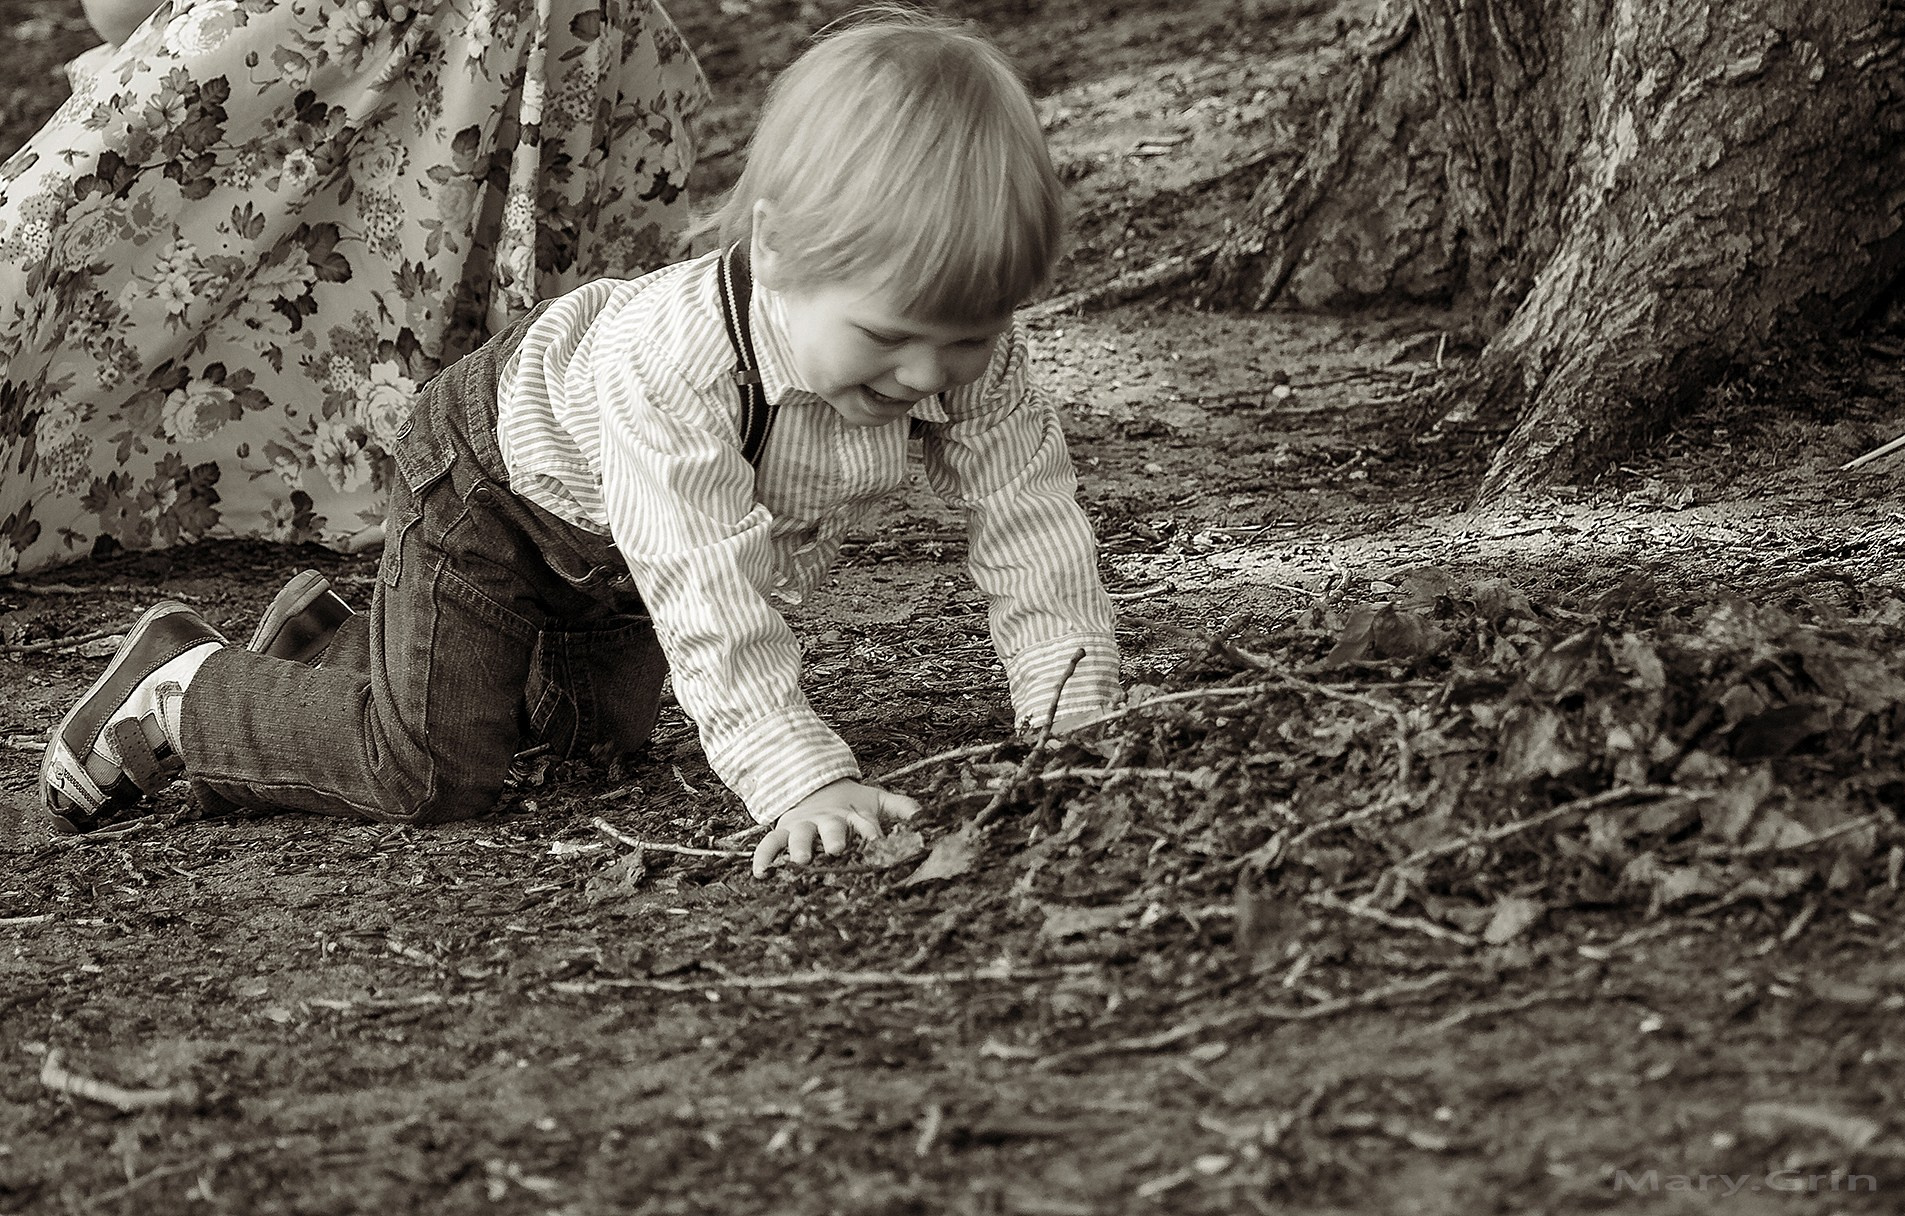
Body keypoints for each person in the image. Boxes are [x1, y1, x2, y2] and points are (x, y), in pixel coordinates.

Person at [38, 9, 1124, 878]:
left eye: (970, 337)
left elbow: (1031, 527)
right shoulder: (678, 364)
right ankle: (187, 689)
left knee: (585, 750)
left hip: (613, 558)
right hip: (491, 491)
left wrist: (1072, 717)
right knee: (432, 771)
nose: (932, 374)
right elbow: (704, 583)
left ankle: (335, 646)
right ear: (781, 250)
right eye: (890, 338)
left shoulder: (969, 351)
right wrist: (799, 779)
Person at [0, 0, 710, 574]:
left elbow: (116, 16)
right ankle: (456, 448)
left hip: (359, 37)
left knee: (69, 242)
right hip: (540, 46)